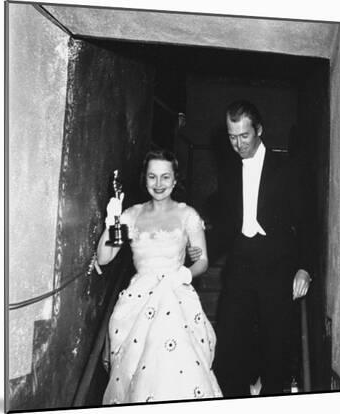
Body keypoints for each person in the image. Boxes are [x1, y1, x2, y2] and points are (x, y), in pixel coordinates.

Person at [97, 149, 222, 404]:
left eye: (165, 177)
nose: (159, 184)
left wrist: (185, 273)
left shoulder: (188, 215)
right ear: (145, 179)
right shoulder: (131, 215)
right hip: (138, 299)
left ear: (175, 180)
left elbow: (203, 261)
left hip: (175, 293)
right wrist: (112, 221)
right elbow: (104, 258)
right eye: (152, 177)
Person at [211, 100, 314, 397]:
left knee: (276, 342)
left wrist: (305, 268)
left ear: (259, 131)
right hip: (240, 262)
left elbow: (307, 221)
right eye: (231, 137)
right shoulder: (229, 170)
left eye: (244, 136)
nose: (237, 144)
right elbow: (225, 224)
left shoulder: (287, 168)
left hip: (277, 262)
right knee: (230, 340)